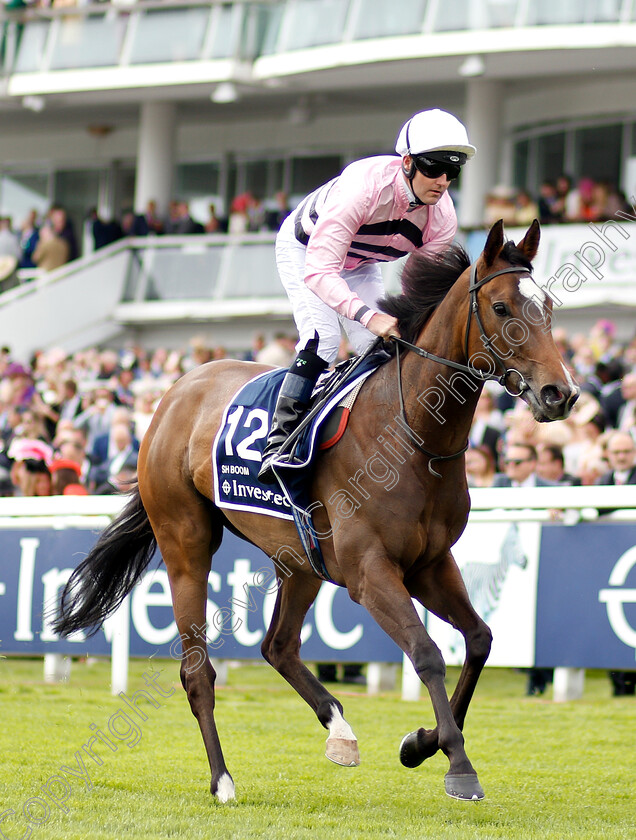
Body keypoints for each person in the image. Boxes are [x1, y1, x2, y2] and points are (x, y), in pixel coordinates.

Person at [258, 108, 476, 483]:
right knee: (323, 339)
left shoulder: (442, 218)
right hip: (306, 252)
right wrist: (367, 314)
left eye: (452, 171)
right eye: (435, 168)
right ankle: (279, 442)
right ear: (407, 163)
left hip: (359, 264)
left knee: (385, 347)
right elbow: (320, 271)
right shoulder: (363, 186)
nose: (443, 181)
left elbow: (417, 291)